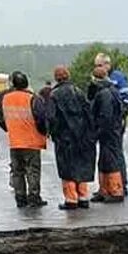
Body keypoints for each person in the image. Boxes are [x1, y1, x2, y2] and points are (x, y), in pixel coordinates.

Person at [37, 65, 97, 210]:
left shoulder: (54, 95)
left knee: (67, 168)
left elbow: (51, 117)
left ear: (56, 78)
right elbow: (89, 114)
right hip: (83, 137)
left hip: (65, 138)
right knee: (82, 166)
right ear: (68, 76)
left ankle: (71, 199)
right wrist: (91, 134)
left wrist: (51, 133)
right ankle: (83, 197)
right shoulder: (79, 92)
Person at [0, 71, 47, 209]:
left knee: (18, 171)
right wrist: (43, 132)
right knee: (33, 170)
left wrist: (10, 129)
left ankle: (20, 198)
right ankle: (34, 197)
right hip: (31, 141)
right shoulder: (33, 98)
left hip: (15, 141)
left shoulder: (5, 99)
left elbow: (0, 119)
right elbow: (42, 118)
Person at [92, 52, 128, 192]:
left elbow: (127, 99)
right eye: (96, 65)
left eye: (100, 65)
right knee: (104, 155)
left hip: (115, 122)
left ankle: (122, 185)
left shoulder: (117, 77)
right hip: (103, 123)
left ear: (108, 65)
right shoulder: (100, 80)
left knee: (116, 153)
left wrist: (119, 118)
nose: (98, 68)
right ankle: (106, 187)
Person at [89, 68, 127, 203]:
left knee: (111, 162)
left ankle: (116, 191)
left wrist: (98, 132)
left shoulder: (105, 94)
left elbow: (105, 116)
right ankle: (104, 190)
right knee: (104, 162)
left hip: (109, 132)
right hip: (112, 131)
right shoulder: (111, 90)